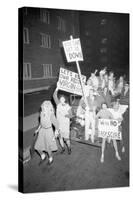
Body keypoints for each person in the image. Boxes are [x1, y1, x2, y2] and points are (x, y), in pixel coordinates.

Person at [34, 101, 59, 165]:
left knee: (48, 148)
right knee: (37, 147)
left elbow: (57, 125)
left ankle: (50, 158)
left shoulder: (51, 114)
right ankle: (43, 156)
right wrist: (38, 129)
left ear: (48, 107)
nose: (44, 107)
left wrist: (55, 134)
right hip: (42, 131)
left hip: (48, 131)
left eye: (46, 106)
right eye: (43, 106)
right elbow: (40, 123)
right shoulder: (41, 113)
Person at [53, 82, 72, 154]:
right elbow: (54, 95)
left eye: (62, 99)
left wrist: (65, 115)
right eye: (60, 99)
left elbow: (71, 115)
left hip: (65, 125)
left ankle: (69, 148)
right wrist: (57, 87)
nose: (61, 100)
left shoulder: (68, 107)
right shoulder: (58, 104)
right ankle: (63, 148)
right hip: (59, 125)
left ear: (65, 100)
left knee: (66, 139)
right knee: (60, 138)